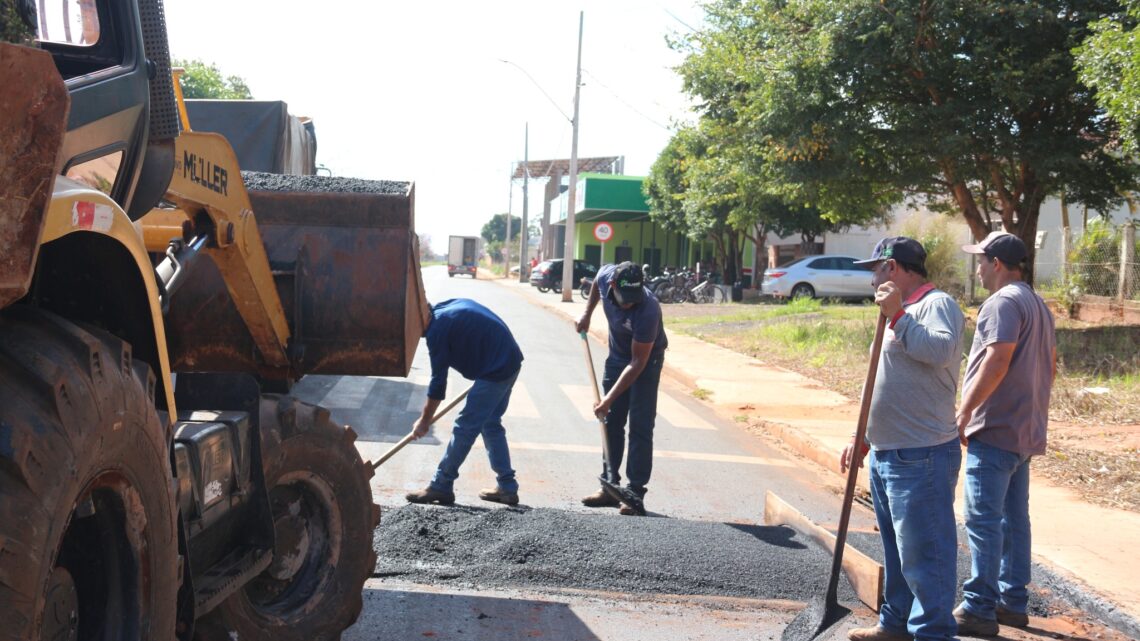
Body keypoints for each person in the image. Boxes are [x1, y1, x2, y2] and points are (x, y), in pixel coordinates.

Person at [841, 237, 965, 641]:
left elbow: (941, 350)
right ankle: (894, 625)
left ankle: (932, 632)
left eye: (875, 269)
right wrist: (861, 437)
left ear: (893, 268)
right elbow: (877, 376)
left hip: (922, 454)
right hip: (886, 452)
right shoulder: (894, 313)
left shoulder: (935, 305)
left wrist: (898, 316)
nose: (872, 278)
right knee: (897, 553)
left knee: (924, 553)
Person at [954, 231, 1057, 636]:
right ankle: (1013, 603)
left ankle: (979, 606)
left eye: (981, 260)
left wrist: (964, 413)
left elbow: (997, 359)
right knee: (1015, 520)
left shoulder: (1002, 302)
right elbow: (1050, 364)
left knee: (983, 520)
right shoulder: (1038, 304)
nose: (977, 268)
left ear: (996, 263)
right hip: (1025, 430)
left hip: (996, 429)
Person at [405, 298, 525, 507]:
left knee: (465, 426)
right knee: (490, 423)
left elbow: (438, 385)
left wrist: (424, 421)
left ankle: (441, 484)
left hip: (497, 367)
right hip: (509, 358)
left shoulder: (436, 332)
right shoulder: (441, 310)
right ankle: (507, 486)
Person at [574, 261, 668, 515]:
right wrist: (587, 314)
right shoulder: (606, 276)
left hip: (646, 363)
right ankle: (609, 486)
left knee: (640, 425)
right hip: (617, 358)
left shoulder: (648, 309)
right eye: (623, 298)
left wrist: (608, 398)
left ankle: (634, 493)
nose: (628, 304)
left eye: (632, 299)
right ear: (613, 285)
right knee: (611, 421)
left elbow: (638, 363)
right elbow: (595, 283)